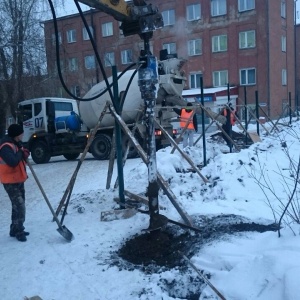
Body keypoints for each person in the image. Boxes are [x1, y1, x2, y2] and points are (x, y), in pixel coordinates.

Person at [0, 124, 30, 242]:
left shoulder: (15, 143)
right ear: (17, 135)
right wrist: (20, 153)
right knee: (20, 205)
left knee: (16, 206)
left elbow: (21, 153)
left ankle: (14, 228)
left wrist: (24, 152)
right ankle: (19, 230)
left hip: (18, 179)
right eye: (21, 133)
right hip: (9, 181)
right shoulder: (5, 147)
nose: (23, 135)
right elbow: (12, 161)